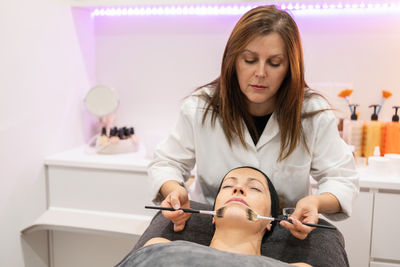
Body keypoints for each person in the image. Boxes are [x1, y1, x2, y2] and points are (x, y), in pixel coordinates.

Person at [148, 5, 359, 240]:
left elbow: (341, 178)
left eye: (274, 63)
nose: (260, 73)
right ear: (233, 60)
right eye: (249, 59)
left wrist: (315, 201)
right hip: (211, 227)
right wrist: (174, 190)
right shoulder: (200, 108)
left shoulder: (312, 114)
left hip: (282, 232)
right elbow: (166, 163)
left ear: (290, 67)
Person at [119, 167, 312, 267]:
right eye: (228, 186)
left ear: (270, 221)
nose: (238, 189)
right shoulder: (158, 247)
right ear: (213, 216)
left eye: (254, 188)